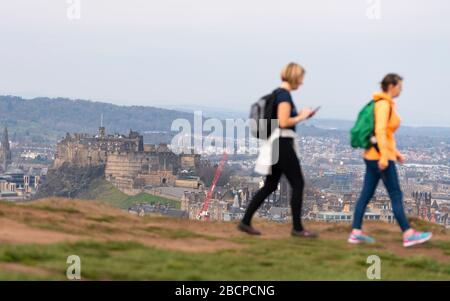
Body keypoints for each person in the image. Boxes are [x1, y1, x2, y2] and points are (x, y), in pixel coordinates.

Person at [348, 74, 432, 247]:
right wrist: (386, 157)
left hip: (373, 155)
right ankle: (408, 234)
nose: (401, 89)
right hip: (380, 157)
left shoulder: (381, 103)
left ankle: (355, 232)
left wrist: (396, 153)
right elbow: (380, 132)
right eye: (400, 86)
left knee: (366, 194)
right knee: (395, 194)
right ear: (392, 86)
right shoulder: (384, 104)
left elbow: (385, 134)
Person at [238, 62, 318, 237]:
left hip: (275, 143)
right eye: (301, 78)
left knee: (270, 185)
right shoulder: (284, 96)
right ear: (295, 77)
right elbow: (283, 122)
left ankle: (245, 222)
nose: (302, 83)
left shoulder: (277, 93)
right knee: (298, 183)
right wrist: (302, 116)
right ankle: (297, 228)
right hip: (282, 143)